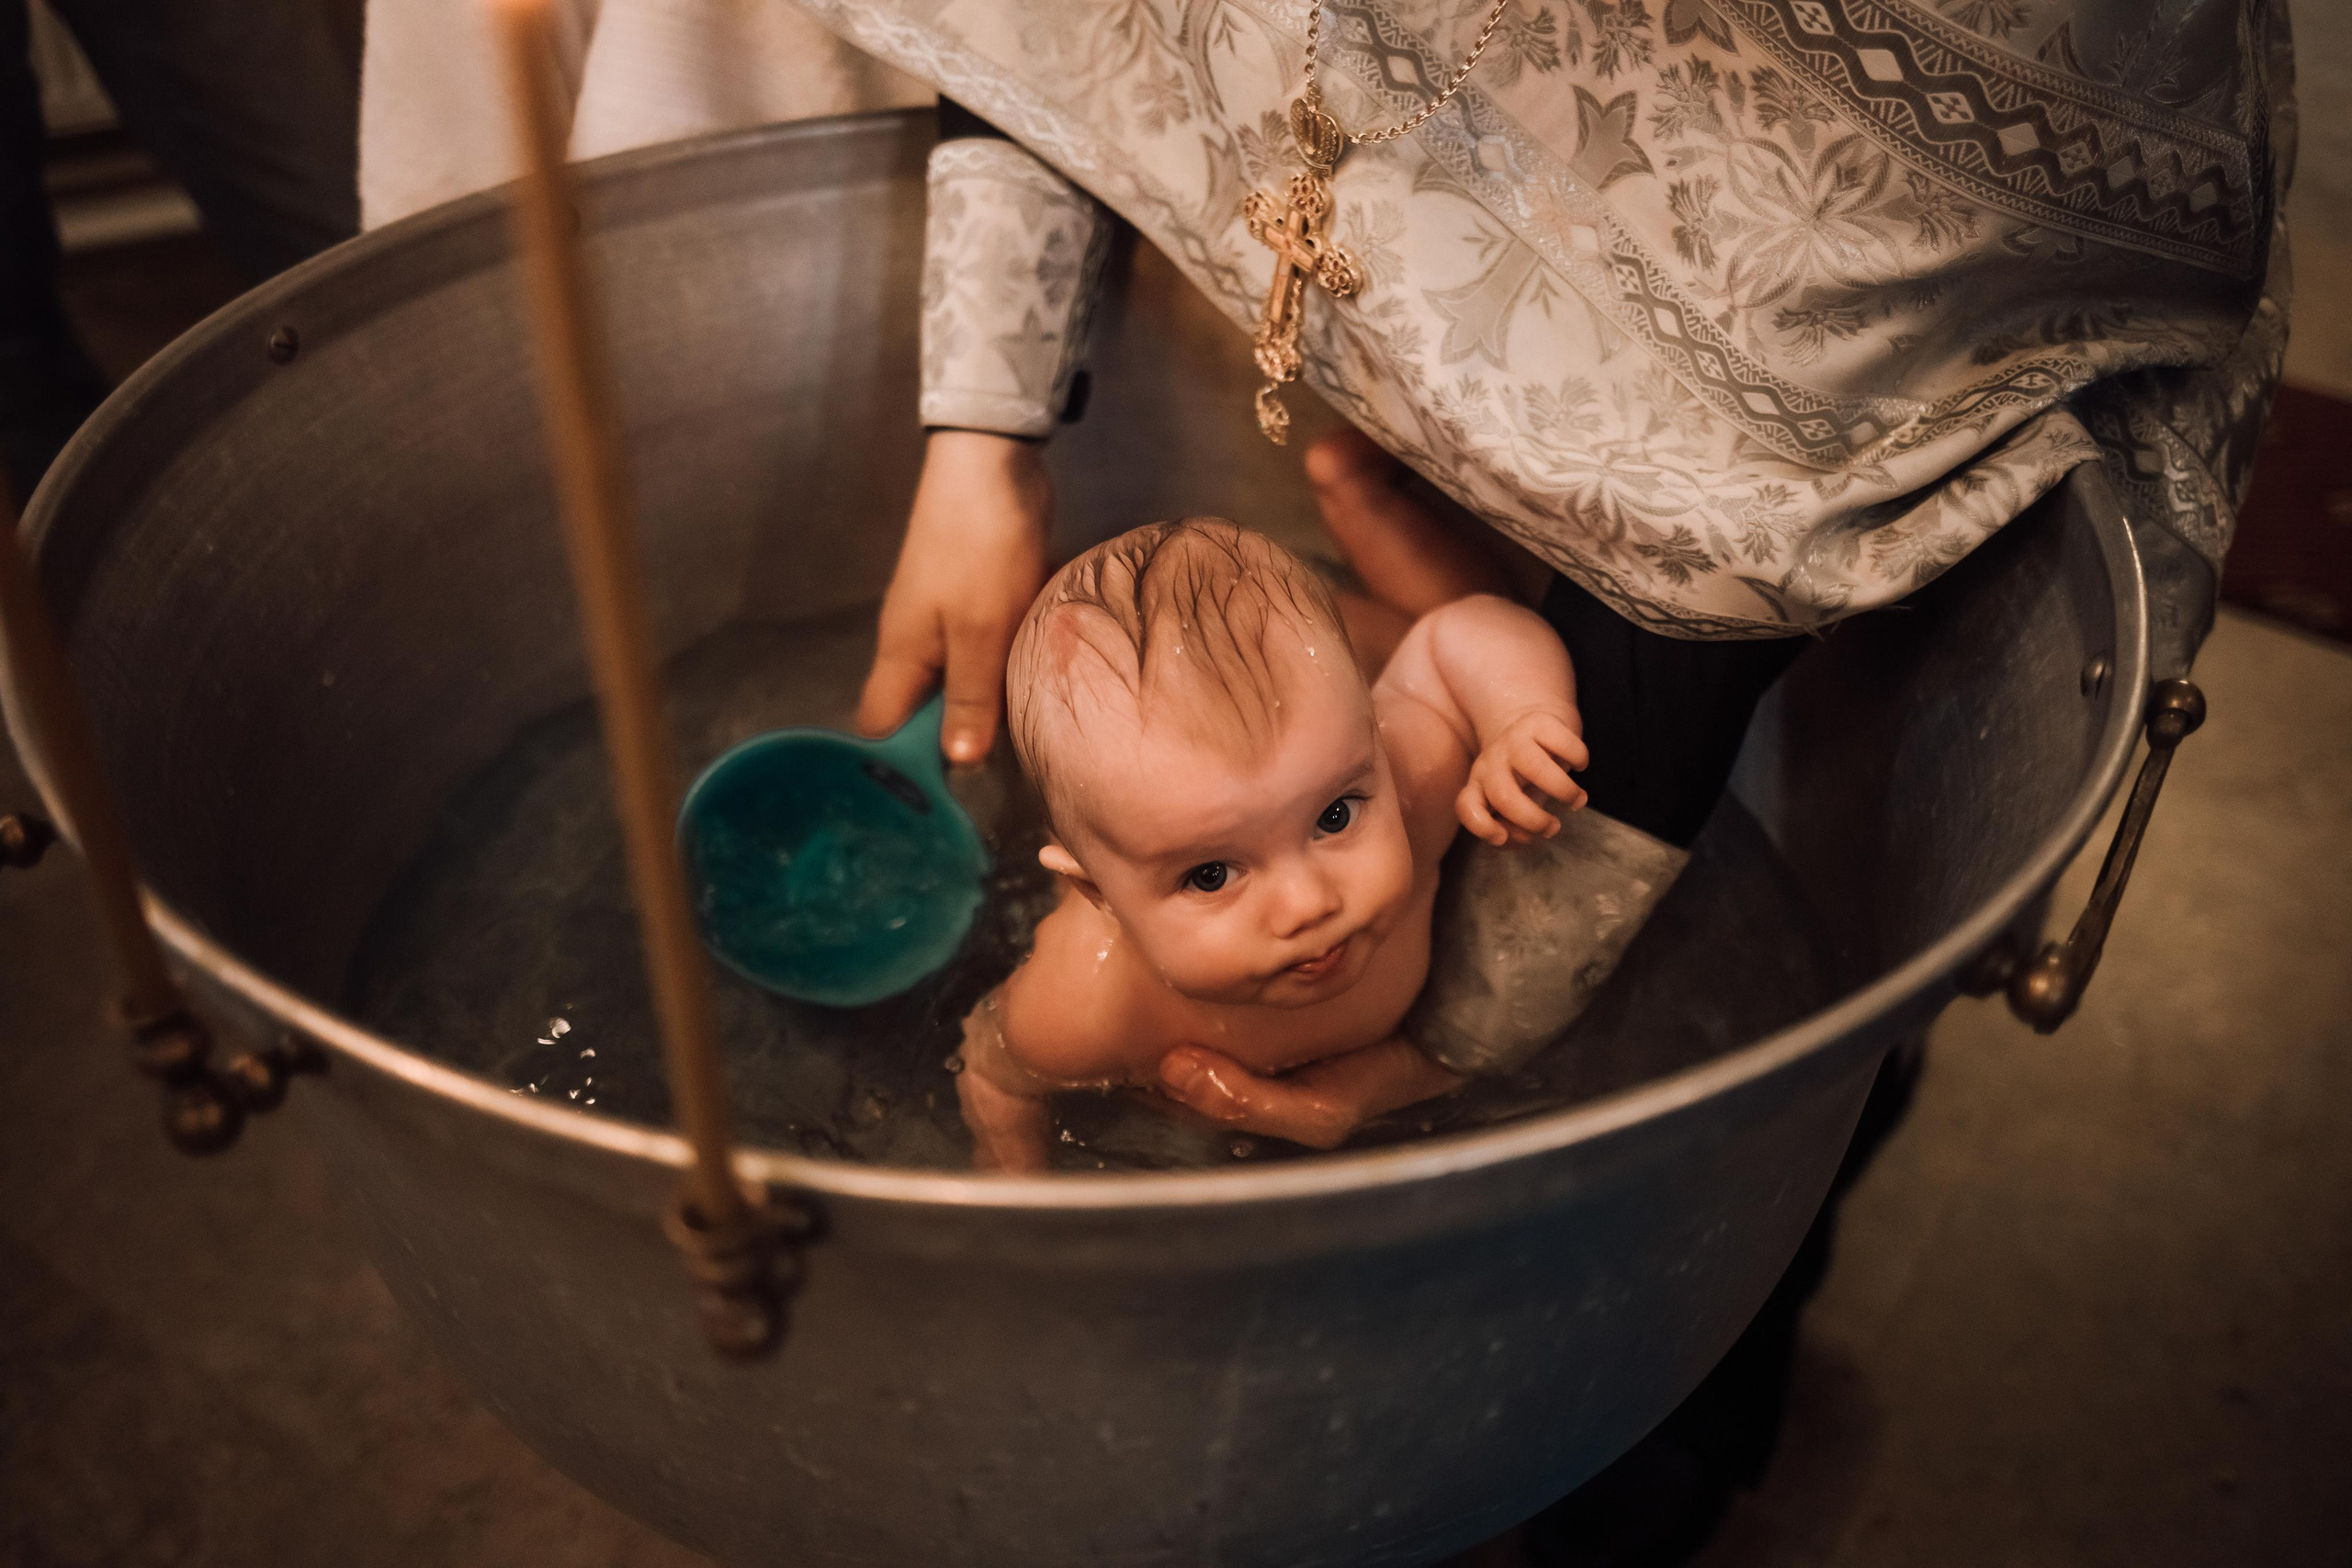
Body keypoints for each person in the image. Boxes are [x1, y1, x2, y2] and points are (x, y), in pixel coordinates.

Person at [957, 515, 1588, 1168]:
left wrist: (1519, 715)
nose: (1308, 903)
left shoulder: (1412, 786)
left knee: (1423, 621)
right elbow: (991, 1068)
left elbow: (1464, 632)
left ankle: (1358, 501)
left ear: (1374, 753)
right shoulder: (1084, 1009)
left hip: (1357, 649)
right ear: (1097, 892)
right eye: (1209, 875)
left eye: (1336, 816)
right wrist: (1021, 1172)